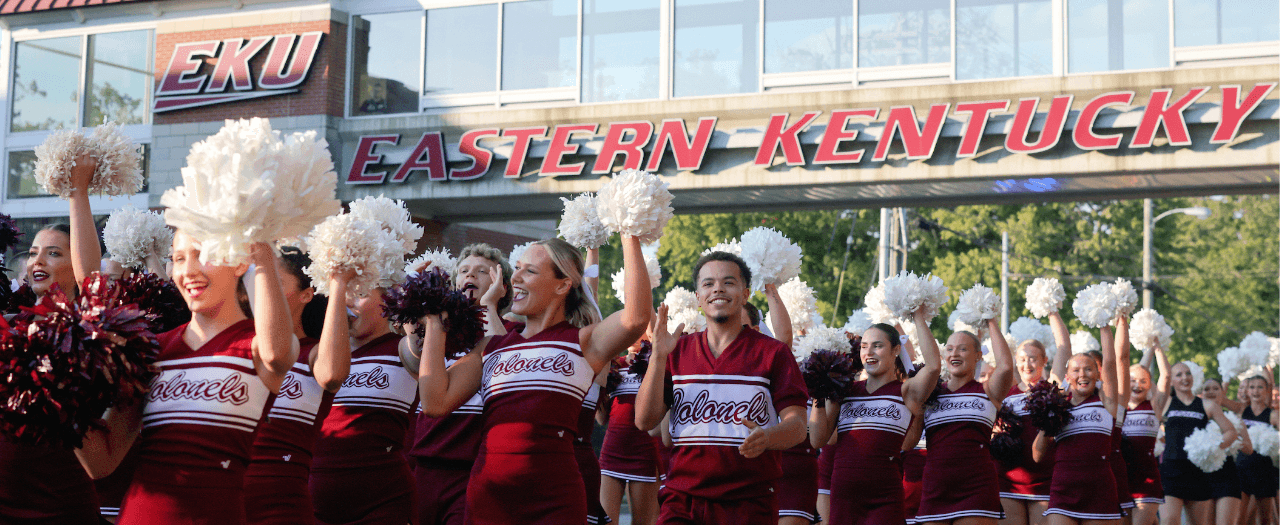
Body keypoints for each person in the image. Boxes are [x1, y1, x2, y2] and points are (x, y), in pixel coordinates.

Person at [416, 237, 651, 524]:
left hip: (554, 499)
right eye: (516, 268)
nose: (515, 276)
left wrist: (630, 235)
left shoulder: (583, 341)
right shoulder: (494, 344)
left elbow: (636, 318)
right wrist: (435, 323)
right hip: (489, 497)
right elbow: (435, 401)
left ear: (563, 285)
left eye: (530, 270)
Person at [77, 230, 296, 525]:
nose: (188, 271)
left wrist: (265, 257)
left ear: (241, 262)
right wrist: (59, 398)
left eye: (203, 255)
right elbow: (101, 462)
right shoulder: (152, 349)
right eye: (178, 259)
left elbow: (277, 353)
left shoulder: (258, 346)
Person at [634, 251, 809, 524]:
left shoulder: (773, 352)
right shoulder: (676, 351)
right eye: (708, 283)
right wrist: (657, 356)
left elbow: (798, 425)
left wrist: (769, 437)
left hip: (749, 502)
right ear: (698, 297)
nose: (717, 288)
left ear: (746, 293)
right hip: (682, 500)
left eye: (728, 282)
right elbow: (644, 420)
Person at [0, 156, 103, 522]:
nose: (37, 260)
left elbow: (94, 281)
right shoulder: (8, 324)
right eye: (32, 253)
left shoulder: (88, 326)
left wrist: (78, 192)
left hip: (59, 504)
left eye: (54, 252)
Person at [244, 247, 353, 524]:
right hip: (225, 494)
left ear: (306, 294)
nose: (264, 290)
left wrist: (338, 284)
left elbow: (331, 375)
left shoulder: (314, 352)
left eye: (276, 282)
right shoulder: (239, 346)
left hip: (282, 504)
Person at [408, 244, 510, 525]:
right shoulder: (441, 328)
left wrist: (490, 304)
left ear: (501, 284)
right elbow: (414, 364)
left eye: (482, 271)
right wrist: (413, 304)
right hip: (426, 462)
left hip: (472, 466)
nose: (471, 276)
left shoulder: (511, 331)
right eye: (464, 271)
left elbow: (500, 354)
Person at [809, 313, 942, 524]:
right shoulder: (845, 390)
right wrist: (818, 391)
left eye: (877, 346)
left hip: (884, 495)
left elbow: (934, 366)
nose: (868, 352)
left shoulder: (906, 391)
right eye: (864, 346)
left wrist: (917, 315)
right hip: (844, 494)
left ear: (896, 350)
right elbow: (817, 440)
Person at [310, 284, 419, 524]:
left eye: (360, 294)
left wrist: (411, 301)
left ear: (388, 302)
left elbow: (422, 356)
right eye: (343, 294)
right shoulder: (320, 354)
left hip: (385, 500)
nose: (348, 302)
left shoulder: (401, 346)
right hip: (316, 501)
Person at [916, 314, 1015, 525]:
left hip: (976, 488)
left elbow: (1006, 366)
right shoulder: (932, 393)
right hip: (935, 487)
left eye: (962, 349)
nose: (954, 354)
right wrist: (918, 317)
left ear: (978, 355)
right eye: (950, 349)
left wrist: (990, 320)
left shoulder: (988, 391)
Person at [1033, 320, 1124, 525]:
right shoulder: (1056, 406)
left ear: (1098, 375)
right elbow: (1037, 456)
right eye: (1076, 370)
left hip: (1099, 490)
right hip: (1062, 491)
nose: (1082, 374)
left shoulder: (1106, 402)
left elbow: (1111, 362)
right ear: (1067, 377)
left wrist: (1103, 322)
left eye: (1088, 369)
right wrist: (1046, 427)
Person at [999, 311, 1072, 525]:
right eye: (1022, 359)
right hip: (1009, 479)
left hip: (1045, 478)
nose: (1027, 364)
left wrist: (1052, 312)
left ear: (1044, 360)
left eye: (1033, 358)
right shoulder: (1006, 391)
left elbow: (1064, 349)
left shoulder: (1052, 388)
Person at [1157, 361, 1239, 525]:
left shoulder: (1207, 405)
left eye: (1188, 373)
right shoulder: (1165, 402)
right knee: (1169, 520)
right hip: (1171, 472)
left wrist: (1215, 447)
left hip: (1198, 474)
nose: (1184, 378)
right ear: (1171, 380)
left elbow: (1231, 431)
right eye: (1179, 375)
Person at [599, 337, 662, 525]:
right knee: (604, 521)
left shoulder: (655, 364)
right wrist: (600, 382)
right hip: (612, 453)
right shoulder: (614, 364)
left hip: (645, 454)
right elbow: (602, 418)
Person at [1124, 345, 1171, 525]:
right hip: (1122, 477)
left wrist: (1157, 346)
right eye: (1132, 380)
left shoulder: (1154, 405)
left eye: (1143, 381)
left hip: (1147, 477)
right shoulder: (1117, 406)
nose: (1137, 384)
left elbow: (1166, 376)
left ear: (1150, 384)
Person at [1199, 377, 1246, 525]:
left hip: (1227, 477)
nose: (1211, 392)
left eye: (1215, 388)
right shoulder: (1196, 417)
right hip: (1201, 477)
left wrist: (1232, 441)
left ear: (1222, 392)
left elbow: (1249, 448)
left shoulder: (1233, 418)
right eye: (1206, 389)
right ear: (1201, 393)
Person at [1234, 373, 1277, 525]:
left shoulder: (1273, 415)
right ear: (1247, 391)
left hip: (1264, 471)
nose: (1256, 391)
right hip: (1242, 468)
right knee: (1239, 517)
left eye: (1260, 387)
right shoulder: (1241, 411)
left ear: (1267, 390)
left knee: (1265, 519)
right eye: (1252, 387)